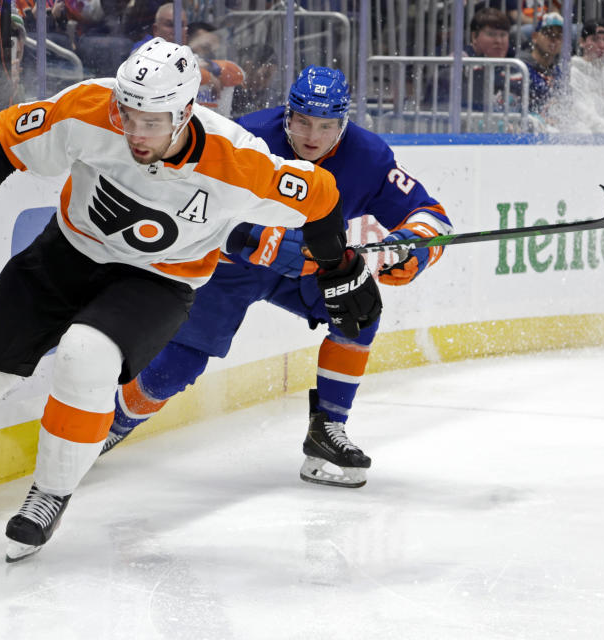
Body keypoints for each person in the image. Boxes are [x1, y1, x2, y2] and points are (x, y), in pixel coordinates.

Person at [0, 40, 381, 560]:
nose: (136, 132)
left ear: (187, 111)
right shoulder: (91, 107)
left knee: (87, 356)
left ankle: (50, 492)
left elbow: (320, 199)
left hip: (159, 280)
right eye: (129, 115)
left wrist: (341, 270)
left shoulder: (237, 160)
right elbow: (9, 138)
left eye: (153, 122)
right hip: (66, 252)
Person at [103, 66, 451, 489]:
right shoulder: (243, 137)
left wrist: (412, 247)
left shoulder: (369, 157)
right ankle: (112, 424)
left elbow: (431, 216)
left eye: (326, 126)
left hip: (306, 265)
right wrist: (246, 237)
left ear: (344, 122)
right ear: (287, 114)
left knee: (358, 309)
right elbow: (183, 204)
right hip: (227, 268)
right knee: (176, 368)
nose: (312, 136)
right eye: (303, 121)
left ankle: (327, 430)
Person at [518, 10, 564, 117]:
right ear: (535, 37)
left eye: (558, 36)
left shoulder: (557, 72)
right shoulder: (521, 67)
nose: (553, 40)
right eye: (548, 34)